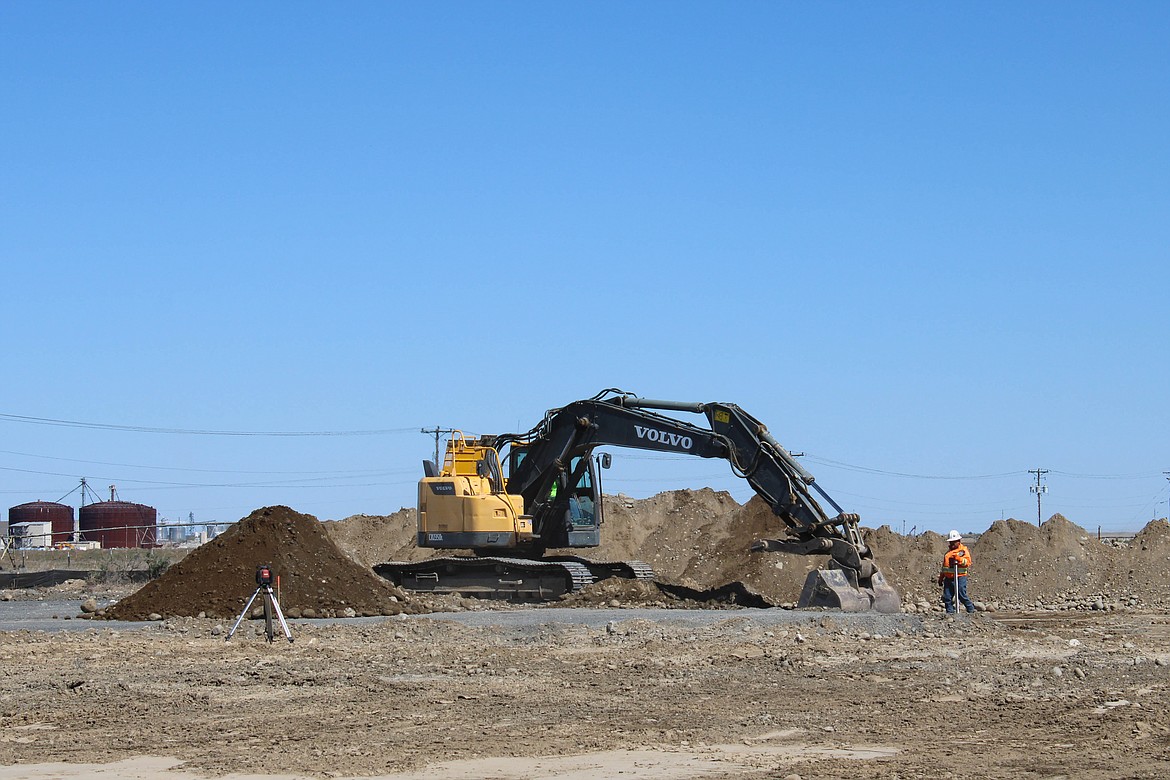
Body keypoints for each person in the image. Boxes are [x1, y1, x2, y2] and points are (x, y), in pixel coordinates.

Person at [938, 529, 975, 614]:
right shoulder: (948, 554)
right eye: (951, 542)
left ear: (959, 541)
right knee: (947, 597)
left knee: (961, 594)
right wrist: (941, 578)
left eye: (954, 542)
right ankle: (950, 613)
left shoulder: (963, 551)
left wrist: (958, 559)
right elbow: (944, 567)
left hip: (960, 577)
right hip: (948, 578)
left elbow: (968, 562)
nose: (952, 544)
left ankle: (971, 610)